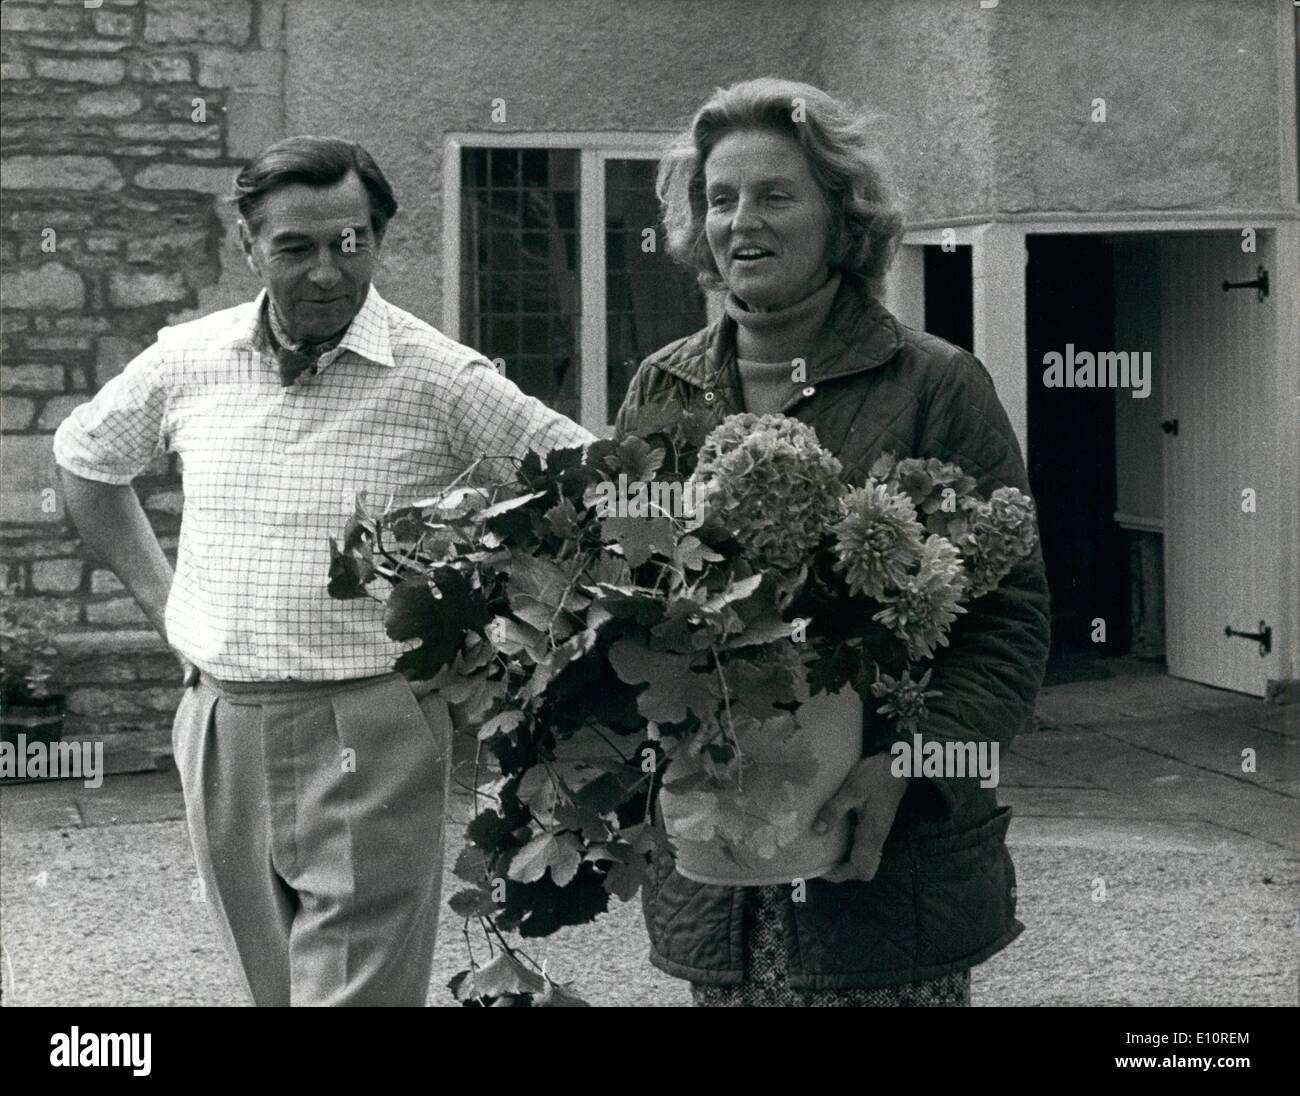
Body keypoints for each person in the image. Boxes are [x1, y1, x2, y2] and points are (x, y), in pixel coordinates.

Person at [54, 135, 593, 1006]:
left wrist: (504, 623)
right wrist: (167, 608)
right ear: (247, 245)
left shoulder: (442, 378)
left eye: (350, 242)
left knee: (351, 997)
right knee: (273, 990)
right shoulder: (189, 358)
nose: (326, 272)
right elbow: (84, 461)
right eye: (293, 247)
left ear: (377, 238)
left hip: (369, 726)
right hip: (219, 721)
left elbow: (590, 484)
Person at [614, 79, 1051, 1006]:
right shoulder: (666, 386)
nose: (742, 221)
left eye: (777, 194)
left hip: (888, 873)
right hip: (721, 872)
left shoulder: (936, 383)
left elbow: (1010, 629)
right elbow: (625, 596)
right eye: (720, 198)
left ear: (840, 214)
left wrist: (909, 764)